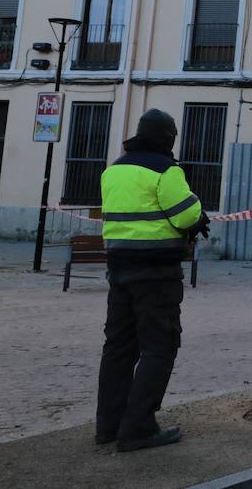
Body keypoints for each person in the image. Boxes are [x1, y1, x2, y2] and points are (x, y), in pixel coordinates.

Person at [95, 109, 209, 451]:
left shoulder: (115, 168)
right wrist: (198, 215)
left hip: (119, 270)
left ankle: (108, 426)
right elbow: (186, 214)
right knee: (159, 346)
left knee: (118, 347)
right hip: (156, 274)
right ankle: (139, 427)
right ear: (168, 138)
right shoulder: (165, 170)